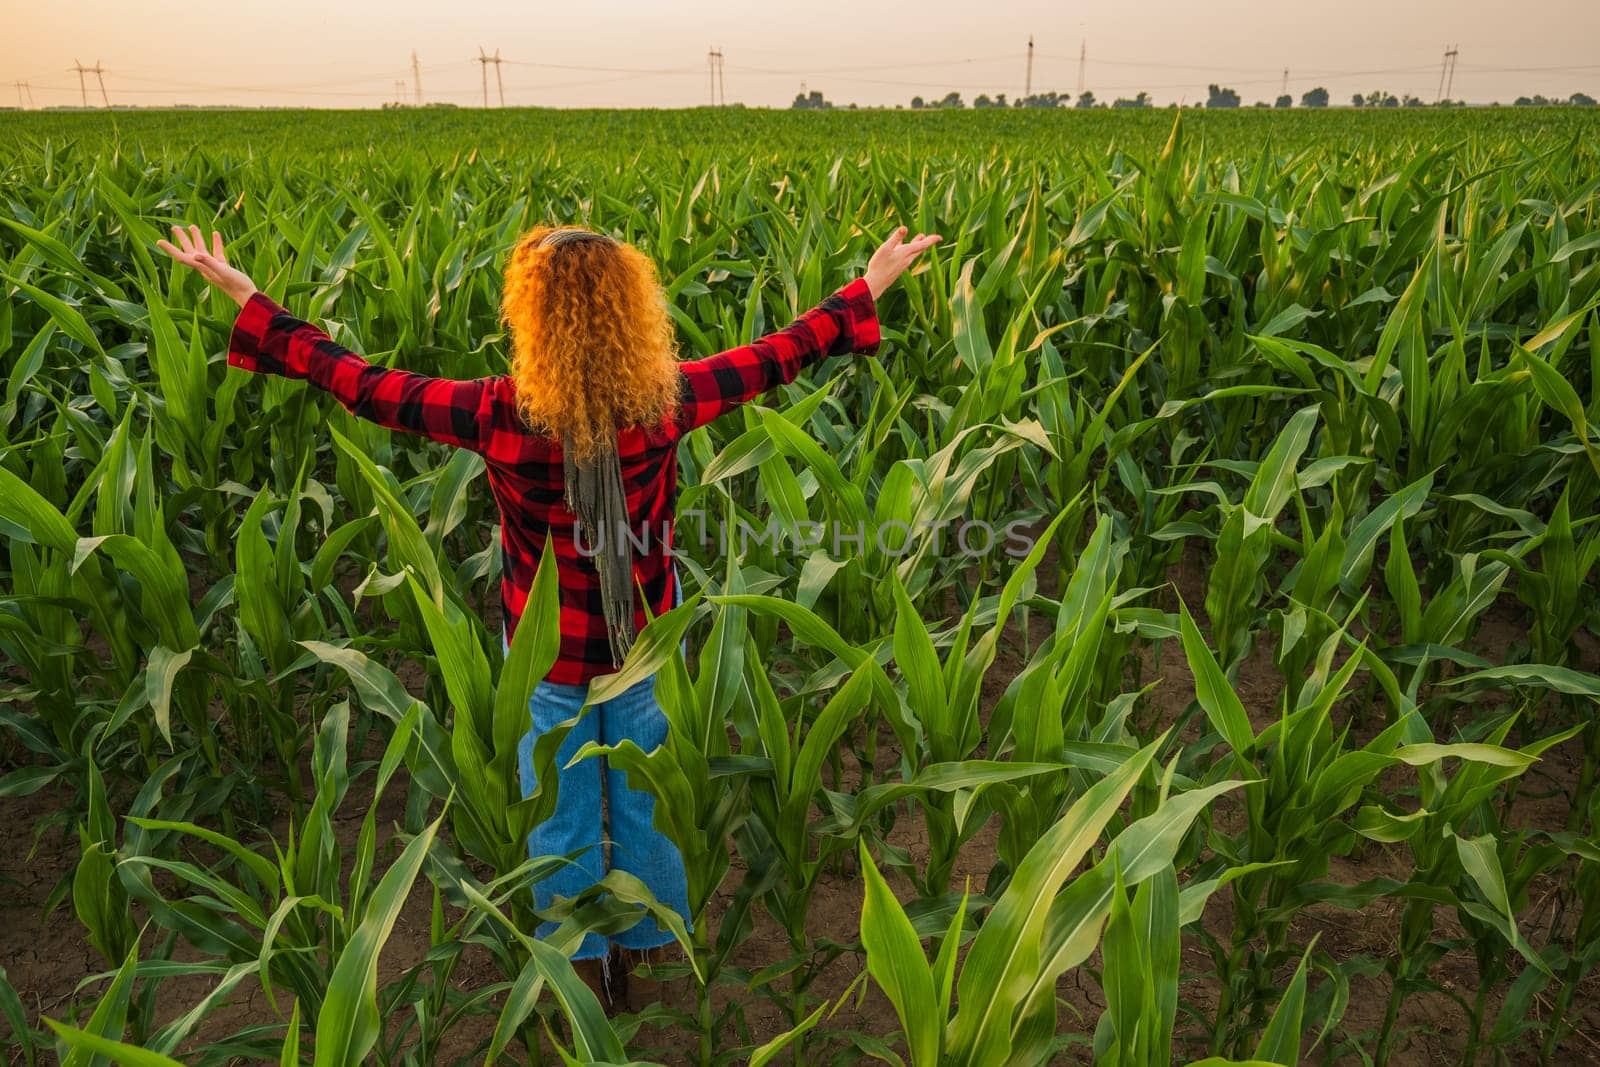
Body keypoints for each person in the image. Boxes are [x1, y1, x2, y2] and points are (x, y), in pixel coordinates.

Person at [158, 220, 942, 1008]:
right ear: (633, 311)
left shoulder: (496, 414)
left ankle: (581, 955)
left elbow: (361, 382)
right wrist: (867, 286)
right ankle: (649, 935)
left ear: (530, 318)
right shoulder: (669, 403)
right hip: (641, 647)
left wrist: (249, 297)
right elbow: (781, 351)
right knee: (646, 797)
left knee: (559, 815)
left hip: (548, 661)